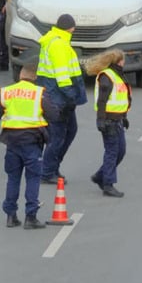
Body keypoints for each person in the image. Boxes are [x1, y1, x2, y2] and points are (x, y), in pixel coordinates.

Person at [0, 64, 59, 229]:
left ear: (20, 75)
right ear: (34, 77)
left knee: (13, 178)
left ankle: (11, 216)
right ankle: (30, 217)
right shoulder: (39, 93)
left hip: (11, 141)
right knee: (33, 178)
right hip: (32, 141)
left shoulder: (6, 91)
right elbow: (53, 115)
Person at [36, 13, 87, 184]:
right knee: (57, 136)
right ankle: (47, 171)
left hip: (57, 96)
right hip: (59, 99)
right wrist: (72, 96)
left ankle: (52, 167)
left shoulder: (55, 40)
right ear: (70, 28)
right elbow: (62, 75)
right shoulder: (59, 44)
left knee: (70, 131)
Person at [84, 49, 132, 198]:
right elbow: (102, 100)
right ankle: (108, 185)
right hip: (109, 121)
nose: (124, 62)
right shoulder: (107, 77)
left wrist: (124, 117)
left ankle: (100, 176)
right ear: (118, 62)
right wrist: (100, 120)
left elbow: (121, 98)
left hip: (117, 120)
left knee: (121, 151)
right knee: (112, 152)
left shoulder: (117, 75)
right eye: (123, 60)